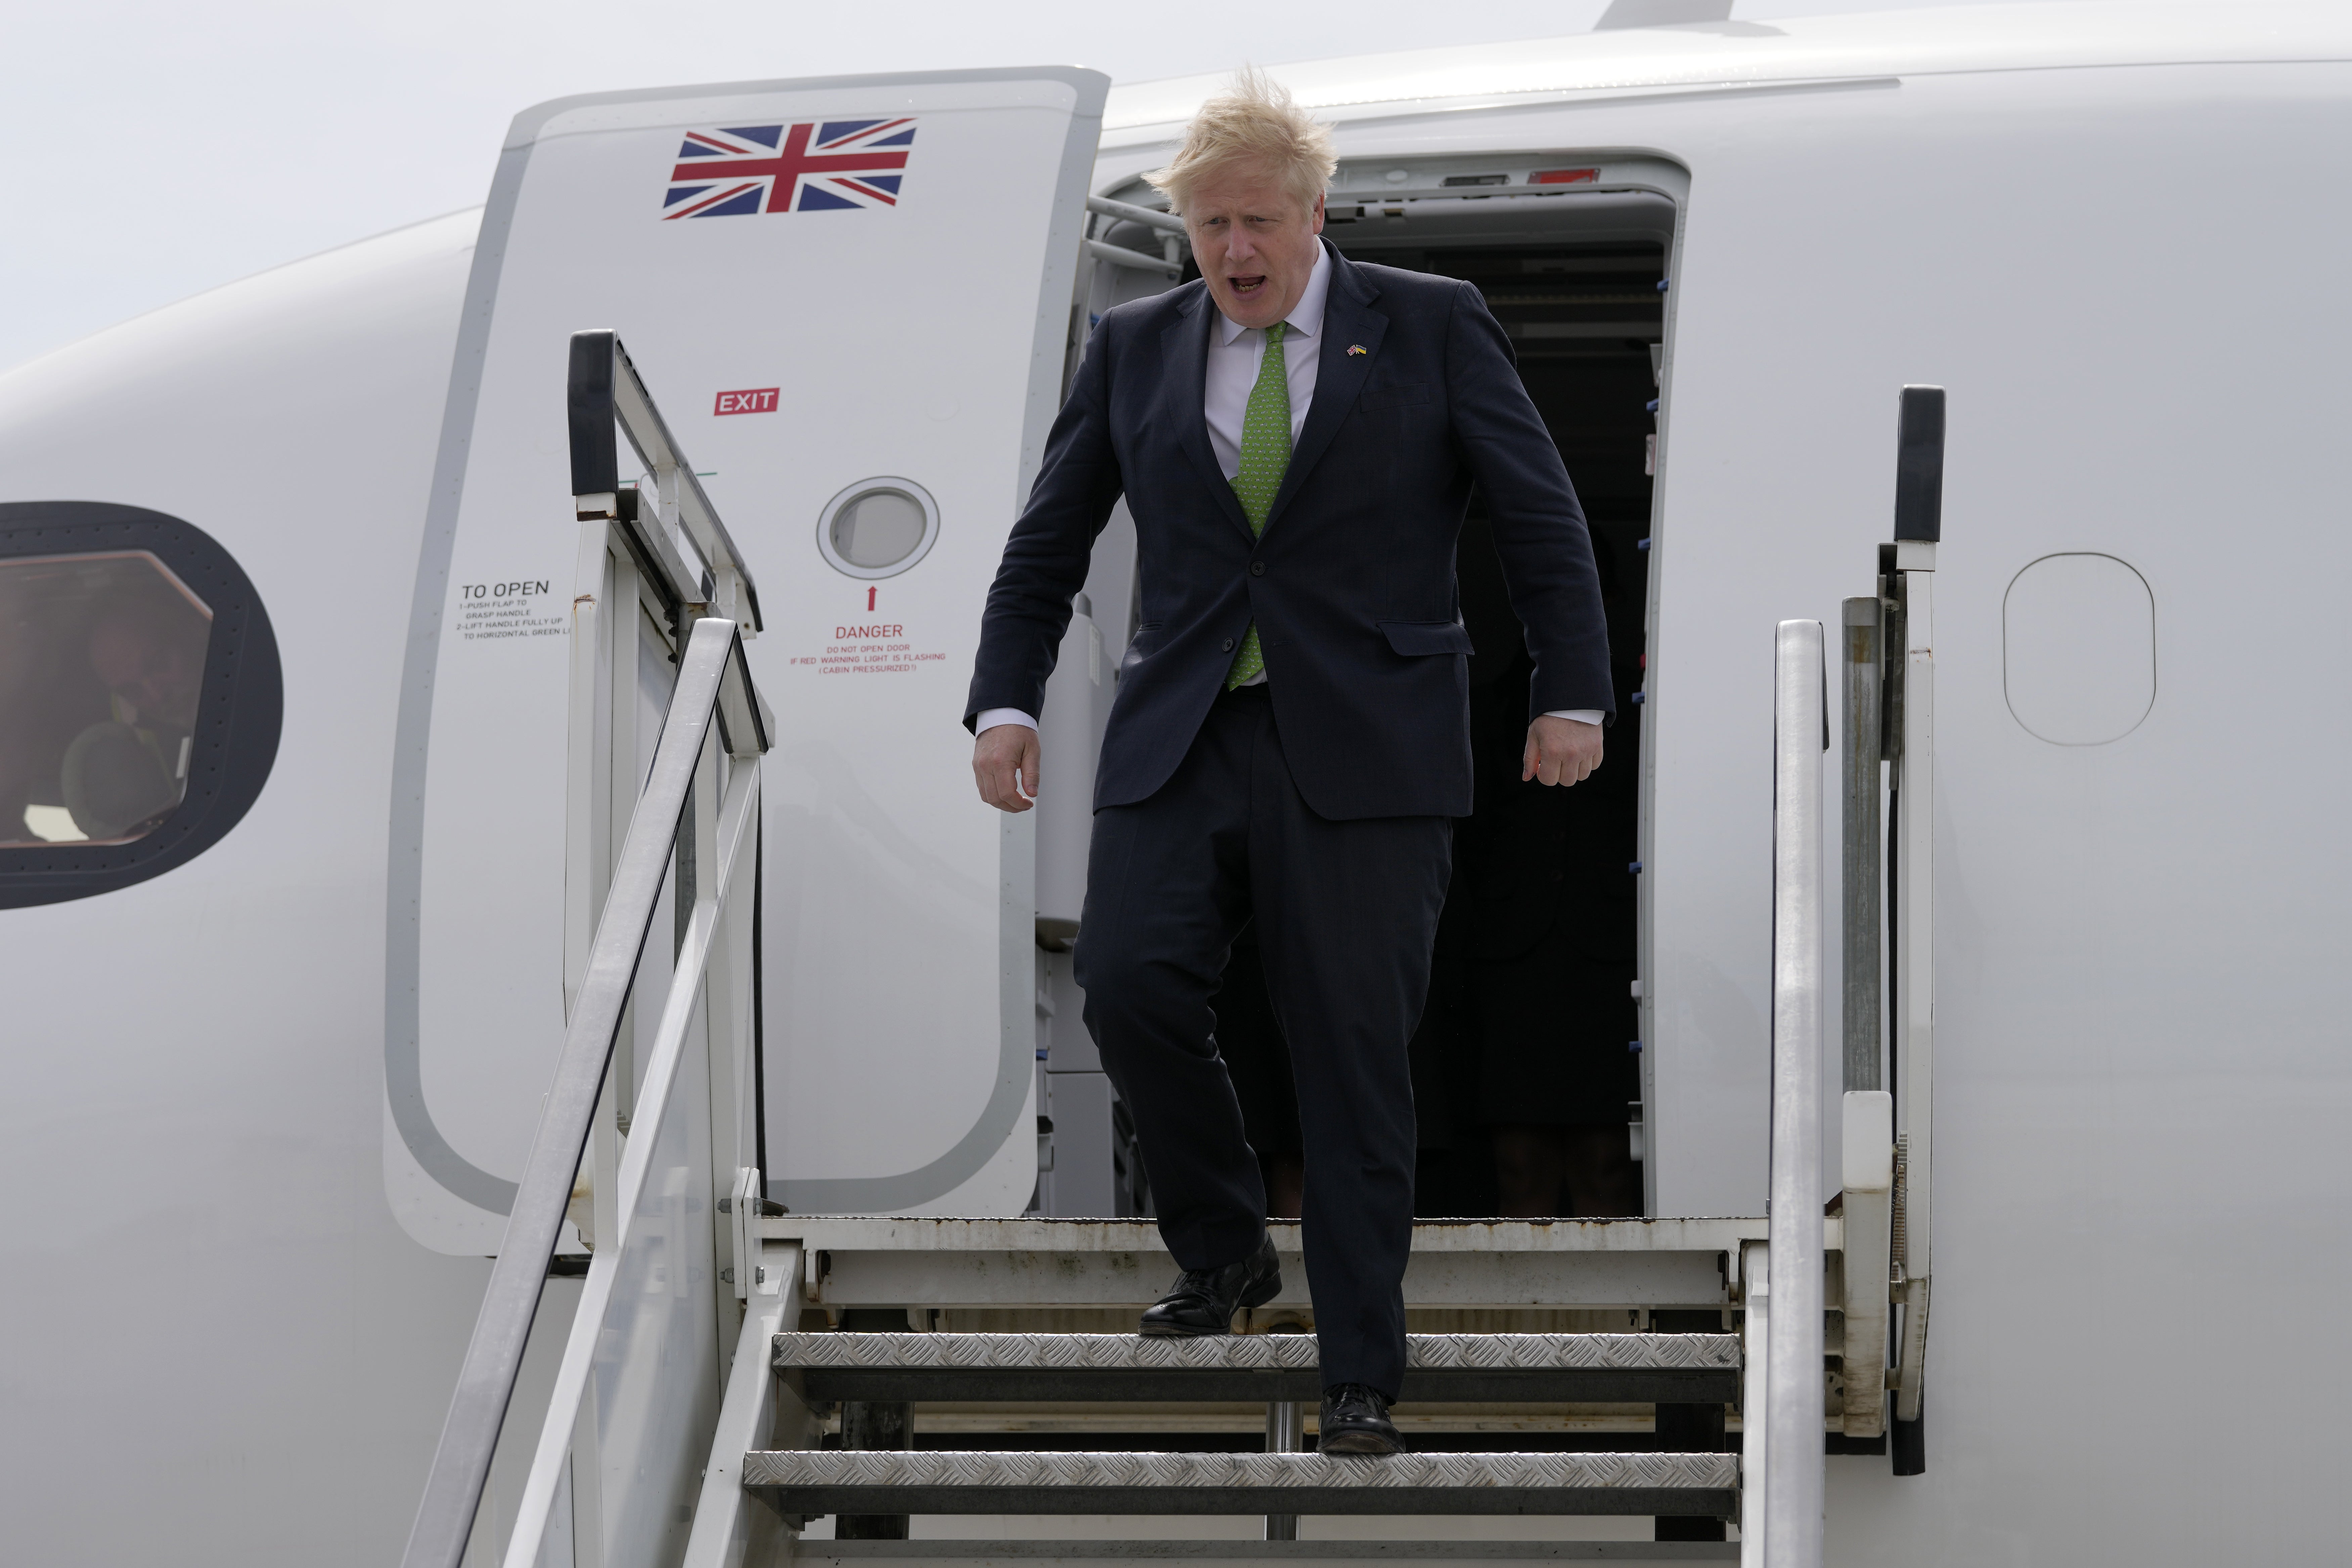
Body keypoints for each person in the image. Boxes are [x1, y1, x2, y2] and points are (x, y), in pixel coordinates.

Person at [964, 69, 1613, 1455]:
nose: (1235, 252)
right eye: (1208, 228)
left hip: (1369, 739)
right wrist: (1000, 702)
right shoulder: (1136, 343)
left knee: (1349, 1052)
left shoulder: (1428, 325)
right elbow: (1047, 538)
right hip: (1184, 726)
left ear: (1317, 214)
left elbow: (1539, 516)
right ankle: (1222, 1245)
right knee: (1132, 985)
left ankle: (1359, 1373)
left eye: (1257, 221)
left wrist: (1571, 694)